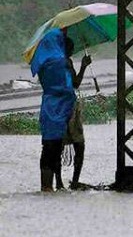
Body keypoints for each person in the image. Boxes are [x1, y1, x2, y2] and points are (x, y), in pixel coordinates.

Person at [30, 28, 76, 192]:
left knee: (48, 148)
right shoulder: (61, 62)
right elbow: (68, 86)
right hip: (61, 109)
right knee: (55, 148)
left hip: (48, 108)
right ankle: (50, 187)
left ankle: (46, 186)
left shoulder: (43, 63)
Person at [62, 37, 92, 188]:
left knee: (56, 146)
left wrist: (83, 66)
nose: (72, 52)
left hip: (56, 108)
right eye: (71, 49)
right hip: (69, 108)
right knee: (79, 145)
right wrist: (83, 66)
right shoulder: (66, 62)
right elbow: (75, 83)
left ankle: (59, 182)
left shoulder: (53, 63)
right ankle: (74, 181)